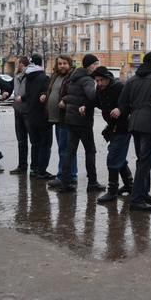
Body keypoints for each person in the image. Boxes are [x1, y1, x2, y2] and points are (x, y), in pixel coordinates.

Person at [114, 51, 151, 212]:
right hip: (150, 122)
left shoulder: (131, 79)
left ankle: (143, 193)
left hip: (134, 122)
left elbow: (122, 102)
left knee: (141, 159)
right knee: (145, 161)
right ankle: (137, 199)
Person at [57, 54, 105, 192]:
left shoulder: (74, 77)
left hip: (70, 119)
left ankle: (65, 183)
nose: (96, 66)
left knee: (70, 151)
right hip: (82, 120)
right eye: (95, 64)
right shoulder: (87, 79)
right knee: (90, 151)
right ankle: (92, 182)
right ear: (89, 65)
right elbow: (92, 96)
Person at [87, 66, 133, 202]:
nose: (99, 83)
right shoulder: (99, 89)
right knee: (119, 158)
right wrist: (85, 106)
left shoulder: (119, 87)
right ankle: (129, 185)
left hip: (123, 128)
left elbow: (130, 103)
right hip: (112, 128)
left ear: (108, 78)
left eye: (101, 80)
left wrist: (120, 109)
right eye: (97, 80)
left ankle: (112, 191)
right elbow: (94, 101)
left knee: (113, 158)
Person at [42, 55, 78, 187]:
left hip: (66, 118)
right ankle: (70, 174)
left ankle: (64, 175)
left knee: (65, 149)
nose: (62, 66)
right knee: (65, 148)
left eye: (64, 63)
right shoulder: (55, 76)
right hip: (56, 118)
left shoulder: (73, 77)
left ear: (70, 64)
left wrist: (65, 100)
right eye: (60, 63)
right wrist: (44, 95)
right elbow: (50, 91)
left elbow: (76, 93)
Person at [23, 55, 53, 179]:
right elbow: (47, 94)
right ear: (41, 64)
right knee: (45, 144)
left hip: (31, 114)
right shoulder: (44, 78)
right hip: (42, 115)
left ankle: (33, 169)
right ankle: (41, 171)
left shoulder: (28, 77)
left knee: (35, 144)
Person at [10, 56, 33, 174]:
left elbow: (33, 92)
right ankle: (22, 165)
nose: (16, 65)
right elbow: (10, 87)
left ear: (21, 64)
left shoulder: (30, 76)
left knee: (33, 141)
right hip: (18, 111)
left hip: (27, 112)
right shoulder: (16, 77)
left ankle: (34, 167)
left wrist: (23, 98)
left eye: (17, 63)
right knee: (21, 141)